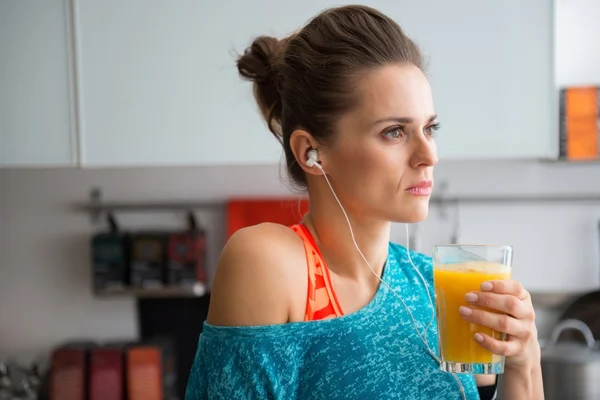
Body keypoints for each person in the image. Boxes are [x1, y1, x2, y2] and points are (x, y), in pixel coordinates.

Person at [185, 5, 543, 400]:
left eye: (430, 128)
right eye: (394, 132)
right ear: (311, 153)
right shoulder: (272, 264)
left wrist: (525, 362)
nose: (429, 155)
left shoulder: (432, 286)